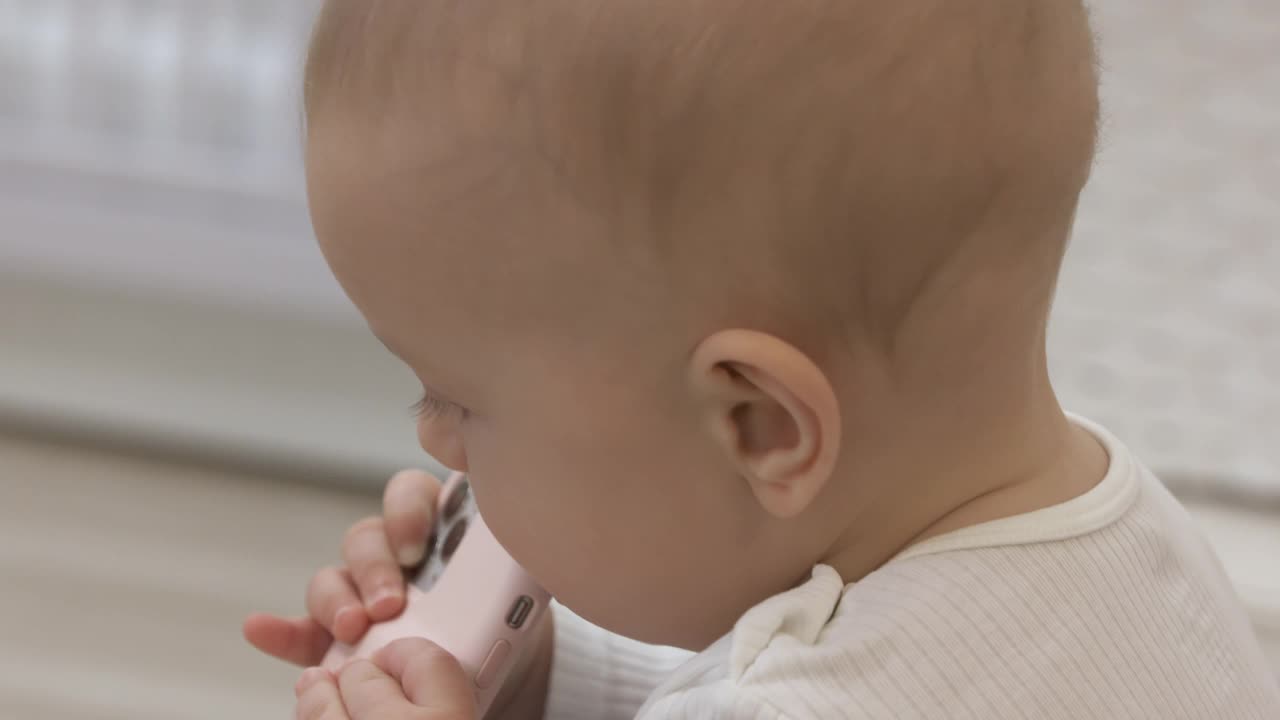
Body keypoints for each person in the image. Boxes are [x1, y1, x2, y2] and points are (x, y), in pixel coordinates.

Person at [243, 1, 1280, 717]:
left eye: (460, 399)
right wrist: (538, 679)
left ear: (759, 425)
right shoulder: (1129, 537)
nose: (435, 443)